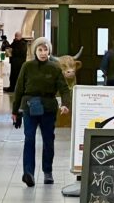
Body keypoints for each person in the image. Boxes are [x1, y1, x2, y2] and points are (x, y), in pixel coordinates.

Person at [12, 37, 71, 187]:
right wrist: (15, 111)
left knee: (48, 141)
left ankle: (47, 171)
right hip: (29, 106)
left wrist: (65, 104)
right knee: (29, 138)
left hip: (48, 107)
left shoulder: (55, 68)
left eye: (46, 50)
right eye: (40, 49)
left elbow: (64, 89)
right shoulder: (27, 66)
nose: (43, 53)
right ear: (35, 51)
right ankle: (28, 173)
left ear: (49, 51)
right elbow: (18, 89)